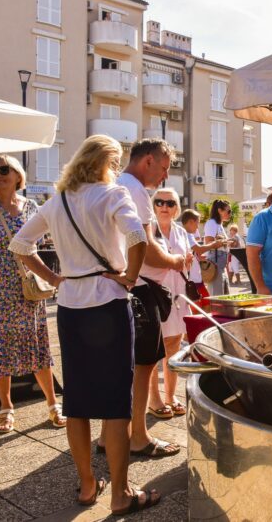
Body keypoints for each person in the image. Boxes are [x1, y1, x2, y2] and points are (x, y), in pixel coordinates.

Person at [9, 134, 160, 515]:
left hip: (71, 307)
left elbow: (20, 245)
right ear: (107, 163)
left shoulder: (57, 201)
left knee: (76, 400)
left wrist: (54, 278)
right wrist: (129, 277)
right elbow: (137, 237)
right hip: (108, 304)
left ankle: (88, 485)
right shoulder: (112, 194)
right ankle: (121, 493)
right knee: (115, 402)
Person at [0, 156, 63, 433]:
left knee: (35, 341)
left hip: (25, 286)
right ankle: (6, 408)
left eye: (3, 169)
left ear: (18, 175)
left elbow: (41, 243)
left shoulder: (32, 207)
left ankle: (53, 405)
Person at [109, 138, 184, 458]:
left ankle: (109, 435)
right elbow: (147, 249)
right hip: (139, 288)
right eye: (164, 168)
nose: (164, 176)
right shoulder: (136, 190)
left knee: (122, 368)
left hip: (119, 288)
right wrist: (175, 261)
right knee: (142, 366)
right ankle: (138, 436)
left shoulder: (114, 185)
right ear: (148, 161)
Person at [148, 188, 193, 419]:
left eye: (170, 203)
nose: (164, 206)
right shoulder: (148, 230)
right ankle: (153, 398)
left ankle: (171, 395)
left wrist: (187, 261)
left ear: (176, 208)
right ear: (153, 205)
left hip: (177, 295)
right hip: (155, 294)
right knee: (153, 348)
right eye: (159, 202)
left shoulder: (181, 232)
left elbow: (186, 262)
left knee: (174, 343)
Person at [180, 209, 223, 287]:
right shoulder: (187, 234)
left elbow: (195, 252)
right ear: (190, 222)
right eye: (197, 223)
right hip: (192, 279)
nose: (197, 227)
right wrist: (214, 244)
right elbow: (199, 249)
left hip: (194, 277)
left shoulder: (186, 234)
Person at [203, 199, 233, 295]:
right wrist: (223, 242)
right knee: (217, 295)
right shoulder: (212, 223)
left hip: (220, 262)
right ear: (220, 210)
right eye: (229, 211)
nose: (230, 214)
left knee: (223, 294)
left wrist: (225, 242)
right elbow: (208, 242)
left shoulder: (219, 224)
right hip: (215, 261)